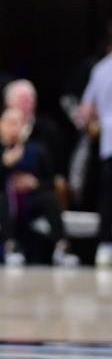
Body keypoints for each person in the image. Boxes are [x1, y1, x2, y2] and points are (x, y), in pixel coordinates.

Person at [0, 107, 77, 267]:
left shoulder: (35, 150)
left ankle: (61, 246)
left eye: (18, 123)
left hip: (27, 200)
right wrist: (4, 164)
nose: (14, 127)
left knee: (49, 199)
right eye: (10, 123)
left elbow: (51, 180)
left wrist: (35, 183)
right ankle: (10, 247)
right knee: (1, 200)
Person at [78, 27, 112, 267]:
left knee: (108, 198)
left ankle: (105, 246)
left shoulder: (100, 69)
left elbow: (85, 112)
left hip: (108, 143)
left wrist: (94, 127)